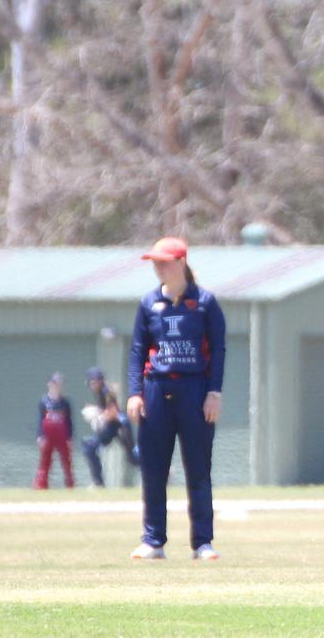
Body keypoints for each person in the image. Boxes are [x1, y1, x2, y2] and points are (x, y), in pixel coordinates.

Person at [126, 237, 226, 561]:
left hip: (194, 390)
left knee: (197, 468)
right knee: (154, 468)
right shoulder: (148, 303)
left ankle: (203, 543)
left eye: (164, 262)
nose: (158, 267)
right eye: (154, 262)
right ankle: (153, 541)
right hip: (156, 390)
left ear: (181, 262)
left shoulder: (205, 302)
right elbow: (138, 350)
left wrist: (214, 393)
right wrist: (134, 393)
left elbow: (219, 350)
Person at [80, 366, 138, 488]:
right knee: (89, 447)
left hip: (120, 426)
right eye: (90, 382)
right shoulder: (100, 392)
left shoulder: (106, 392)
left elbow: (114, 413)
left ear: (99, 381)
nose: (91, 385)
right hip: (112, 426)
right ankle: (98, 483)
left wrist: (97, 414)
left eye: (93, 382)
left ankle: (163, 469)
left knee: (133, 458)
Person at [34, 372, 76, 489]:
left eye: (59, 383)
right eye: (54, 383)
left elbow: (69, 421)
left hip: (62, 435)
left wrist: (70, 438)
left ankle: (70, 486)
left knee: (67, 462)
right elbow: (40, 419)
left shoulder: (65, 402)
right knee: (45, 461)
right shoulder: (44, 401)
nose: (57, 386)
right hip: (48, 435)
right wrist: (40, 436)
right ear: (49, 384)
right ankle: (41, 486)